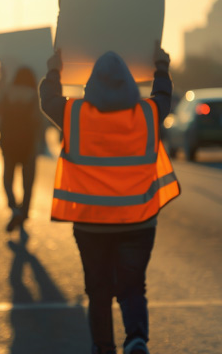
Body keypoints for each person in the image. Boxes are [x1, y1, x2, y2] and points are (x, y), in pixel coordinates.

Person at [39, 43, 180, 354]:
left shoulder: (74, 114)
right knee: (133, 287)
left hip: (91, 225)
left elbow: (48, 99)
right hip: (139, 221)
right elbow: (164, 96)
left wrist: (54, 68)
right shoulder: (148, 114)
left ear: (91, 86)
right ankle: (136, 339)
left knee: (99, 292)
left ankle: (103, 347)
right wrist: (160, 66)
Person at [0, 66, 41, 233]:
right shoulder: (34, 95)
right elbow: (39, 121)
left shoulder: (7, 92)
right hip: (28, 144)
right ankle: (24, 213)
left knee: (8, 179)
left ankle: (14, 207)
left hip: (9, 143)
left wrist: (0, 82)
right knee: (28, 183)